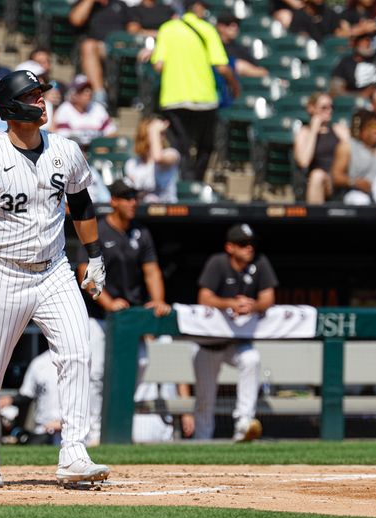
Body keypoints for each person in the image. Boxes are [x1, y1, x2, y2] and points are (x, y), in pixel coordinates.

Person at [0, 69, 110, 488]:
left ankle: (74, 452)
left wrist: (94, 256)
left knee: (78, 352)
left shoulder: (66, 150)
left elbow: (82, 205)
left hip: (54, 268)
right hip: (2, 269)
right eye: (35, 95)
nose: (43, 101)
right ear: (12, 107)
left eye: (42, 94)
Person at [76, 180, 177, 445]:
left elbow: (151, 270)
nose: (133, 203)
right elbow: (84, 271)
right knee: (96, 370)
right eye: (127, 198)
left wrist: (157, 301)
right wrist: (108, 302)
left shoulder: (140, 233)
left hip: (130, 316)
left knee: (142, 365)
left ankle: (129, 429)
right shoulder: (98, 230)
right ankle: (95, 431)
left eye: (135, 198)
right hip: (99, 316)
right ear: (114, 201)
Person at [193, 223, 278, 442]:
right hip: (209, 344)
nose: (249, 248)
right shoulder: (218, 263)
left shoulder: (260, 262)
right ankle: (201, 441)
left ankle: (243, 423)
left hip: (236, 342)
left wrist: (253, 305)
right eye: (243, 244)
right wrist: (231, 303)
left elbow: (268, 298)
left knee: (252, 359)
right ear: (230, 247)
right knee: (205, 398)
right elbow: (204, 298)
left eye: (251, 244)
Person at [152, 0, 239, 182]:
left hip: (174, 97)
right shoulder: (207, 29)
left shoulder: (167, 29)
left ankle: (185, 184)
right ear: (197, 7)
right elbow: (222, 67)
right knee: (205, 146)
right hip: (204, 98)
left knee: (180, 147)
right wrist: (235, 86)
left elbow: (158, 65)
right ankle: (195, 183)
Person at [69, 0, 134, 107]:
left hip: (119, 49)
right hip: (97, 46)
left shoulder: (120, 4)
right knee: (88, 46)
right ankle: (99, 96)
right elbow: (76, 20)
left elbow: (133, 27)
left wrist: (125, 40)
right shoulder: (85, 4)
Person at [293, 92, 350, 204]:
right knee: (317, 175)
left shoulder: (340, 130)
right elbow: (304, 161)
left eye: (331, 107)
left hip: (336, 179)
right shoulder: (304, 133)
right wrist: (314, 129)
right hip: (314, 180)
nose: (329, 110)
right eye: (324, 107)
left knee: (318, 175)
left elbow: (353, 156)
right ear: (311, 108)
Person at [0, 350, 62, 445]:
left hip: (76, 430)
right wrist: (9, 400)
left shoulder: (81, 358)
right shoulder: (39, 362)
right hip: (44, 429)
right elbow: (27, 394)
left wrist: (64, 424)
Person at [331, 109, 376, 204]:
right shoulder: (348, 146)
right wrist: (354, 182)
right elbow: (336, 176)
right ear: (361, 129)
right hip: (357, 192)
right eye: (371, 126)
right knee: (360, 201)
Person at [124, 116, 180, 203]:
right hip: (142, 212)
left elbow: (158, 158)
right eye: (159, 133)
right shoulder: (132, 164)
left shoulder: (172, 154)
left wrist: (154, 130)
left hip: (166, 212)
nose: (162, 137)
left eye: (161, 133)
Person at [53, 74, 116, 150]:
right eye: (82, 90)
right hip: (74, 153)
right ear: (74, 94)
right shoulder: (65, 109)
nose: (88, 93)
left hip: (97, 154)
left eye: (89, 89)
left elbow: (112, 133)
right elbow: (63, 139)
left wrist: (101, 146)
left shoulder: (98, 108)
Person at [330, 29, 376, 97]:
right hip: (361, 103)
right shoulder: (346, 63)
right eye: (364, 40)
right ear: (354, 43)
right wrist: (362, 95)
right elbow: (336, 91)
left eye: (370, 39)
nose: (369, 43)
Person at [215, 11, 269, 79]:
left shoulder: (241, 49)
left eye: (237, 24)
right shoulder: (213, 47)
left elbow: (262, 71)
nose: (234, 27)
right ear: (220, 26)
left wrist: (244, 69)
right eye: (228, 23)